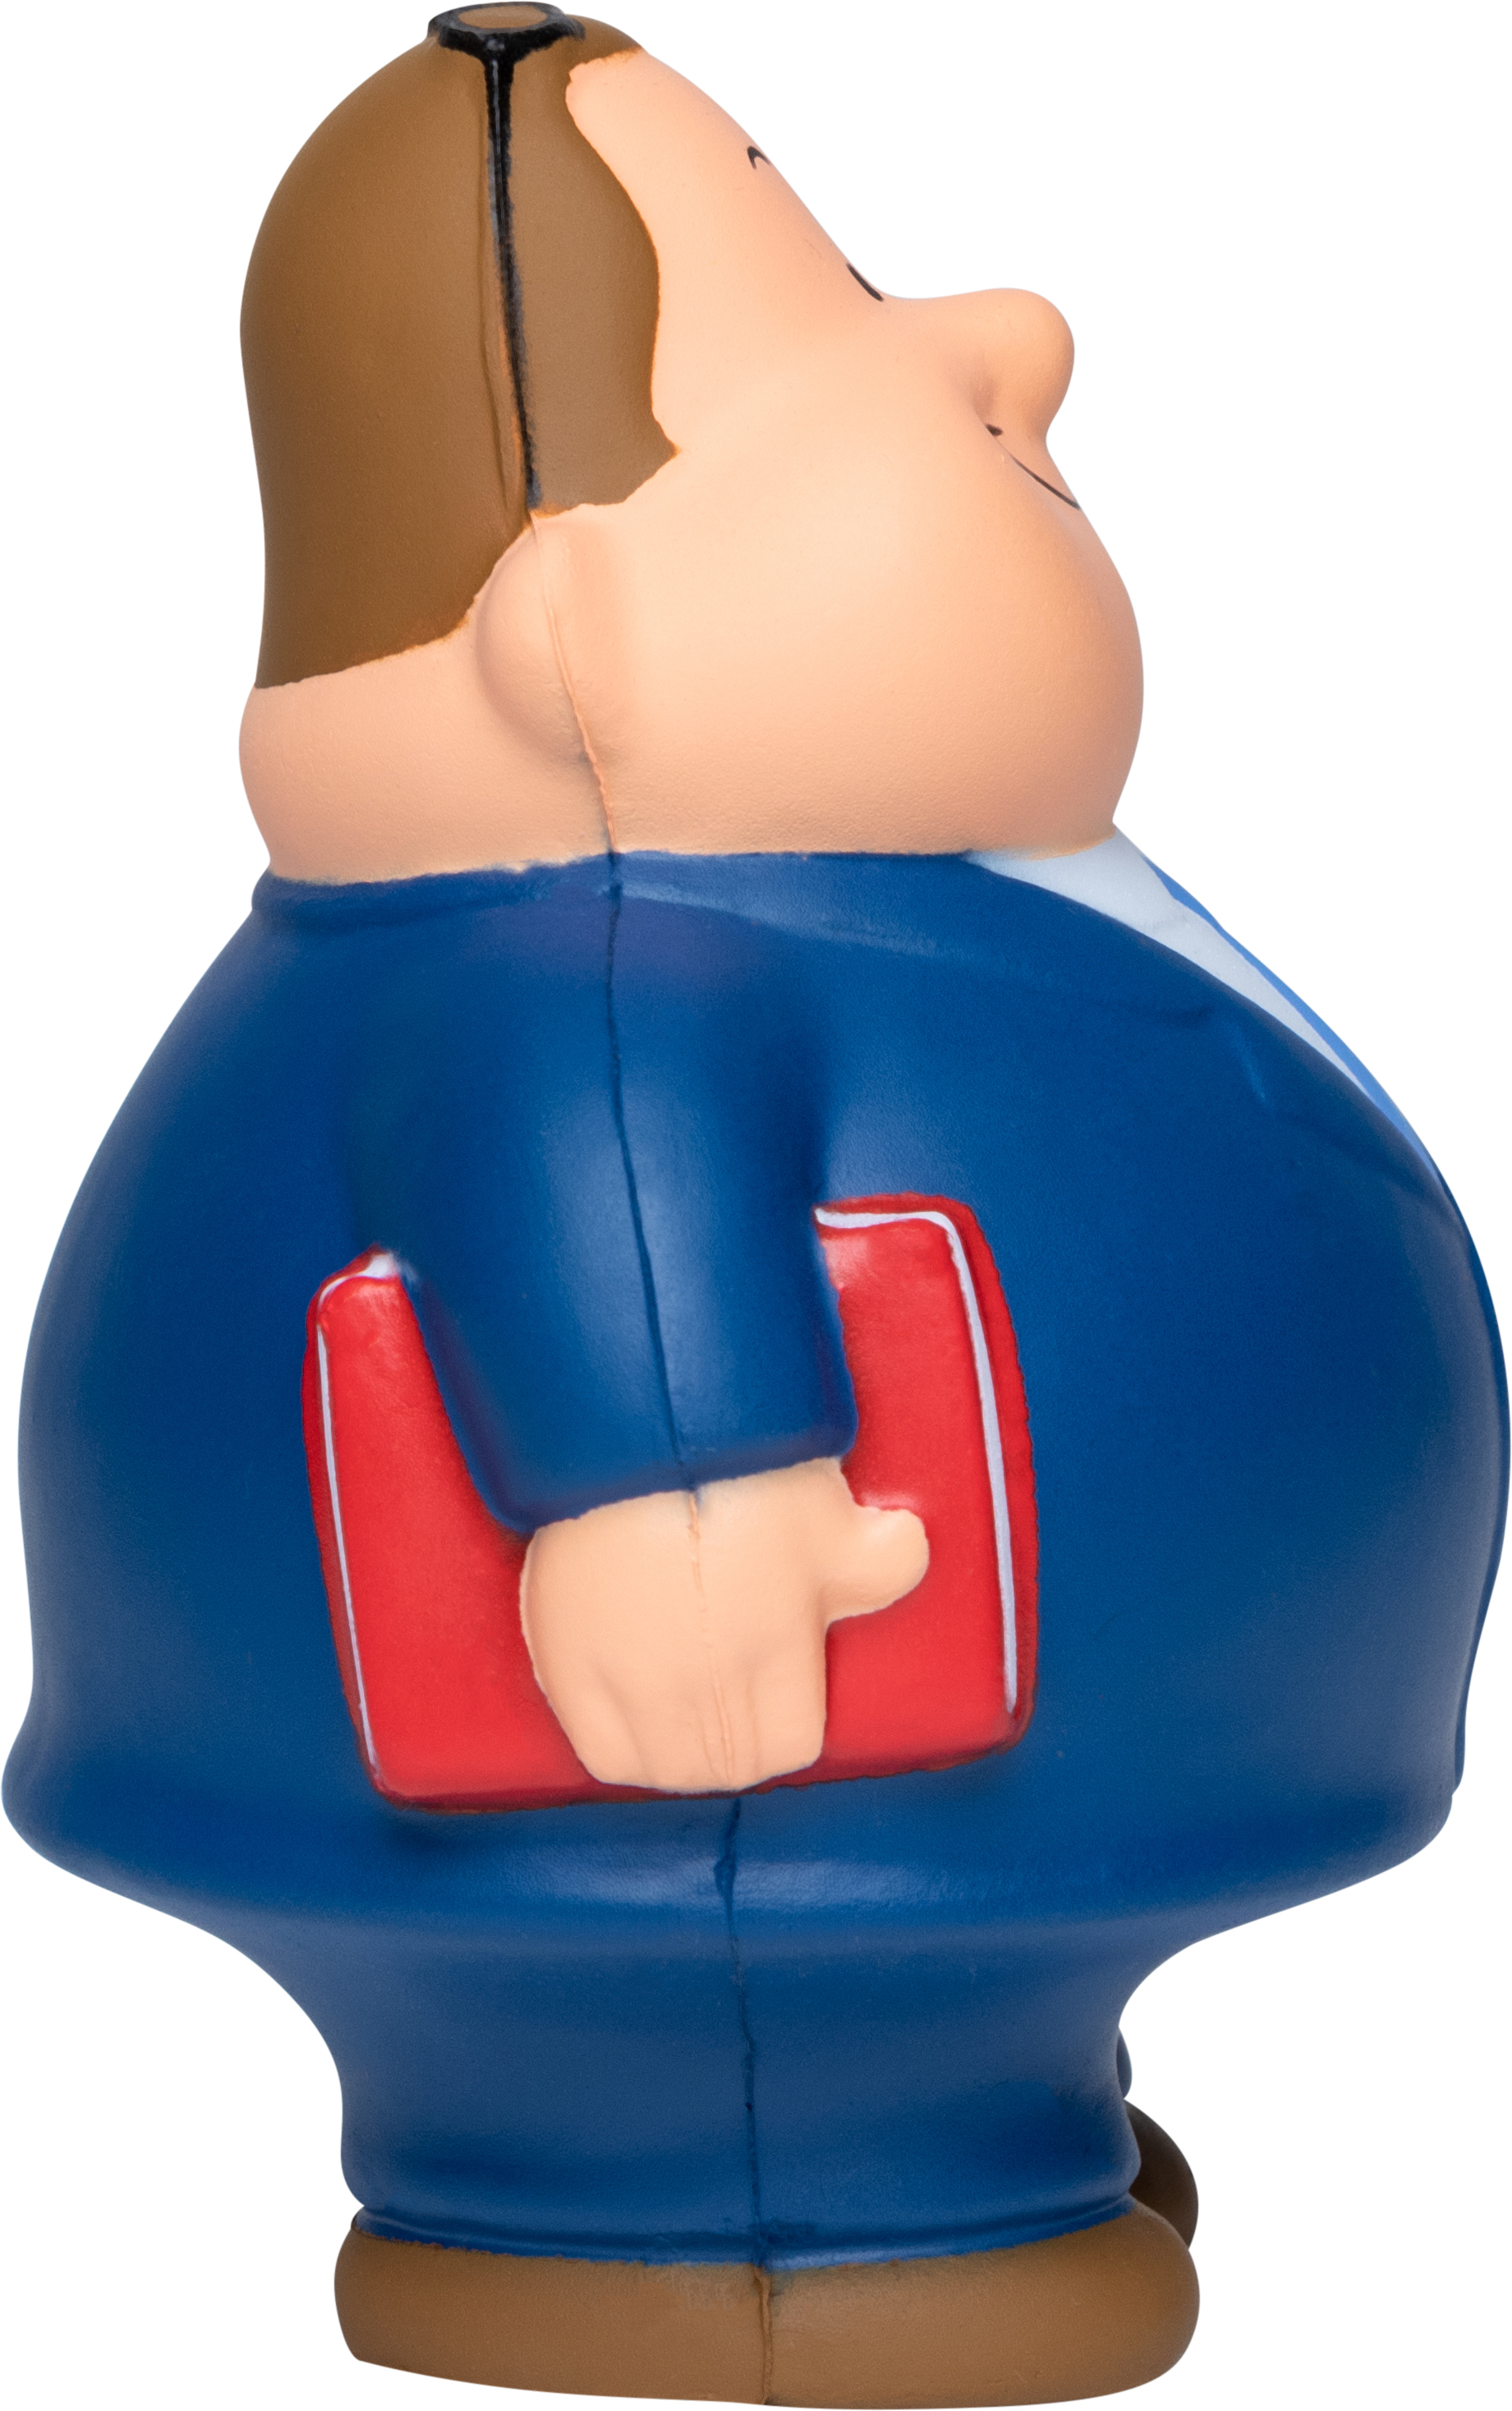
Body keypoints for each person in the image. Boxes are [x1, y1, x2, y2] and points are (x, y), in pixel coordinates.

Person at [8, 9, 1504, 2402]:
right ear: (576, 638)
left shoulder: (796, 889)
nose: (1009, 338)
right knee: (740, 1979)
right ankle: (711, 2209)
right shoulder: (585, 975)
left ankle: (966, 2114)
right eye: (849, 332)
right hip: (736, 1817)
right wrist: (675, 1493)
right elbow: (591, 1170)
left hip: (912, 1837)